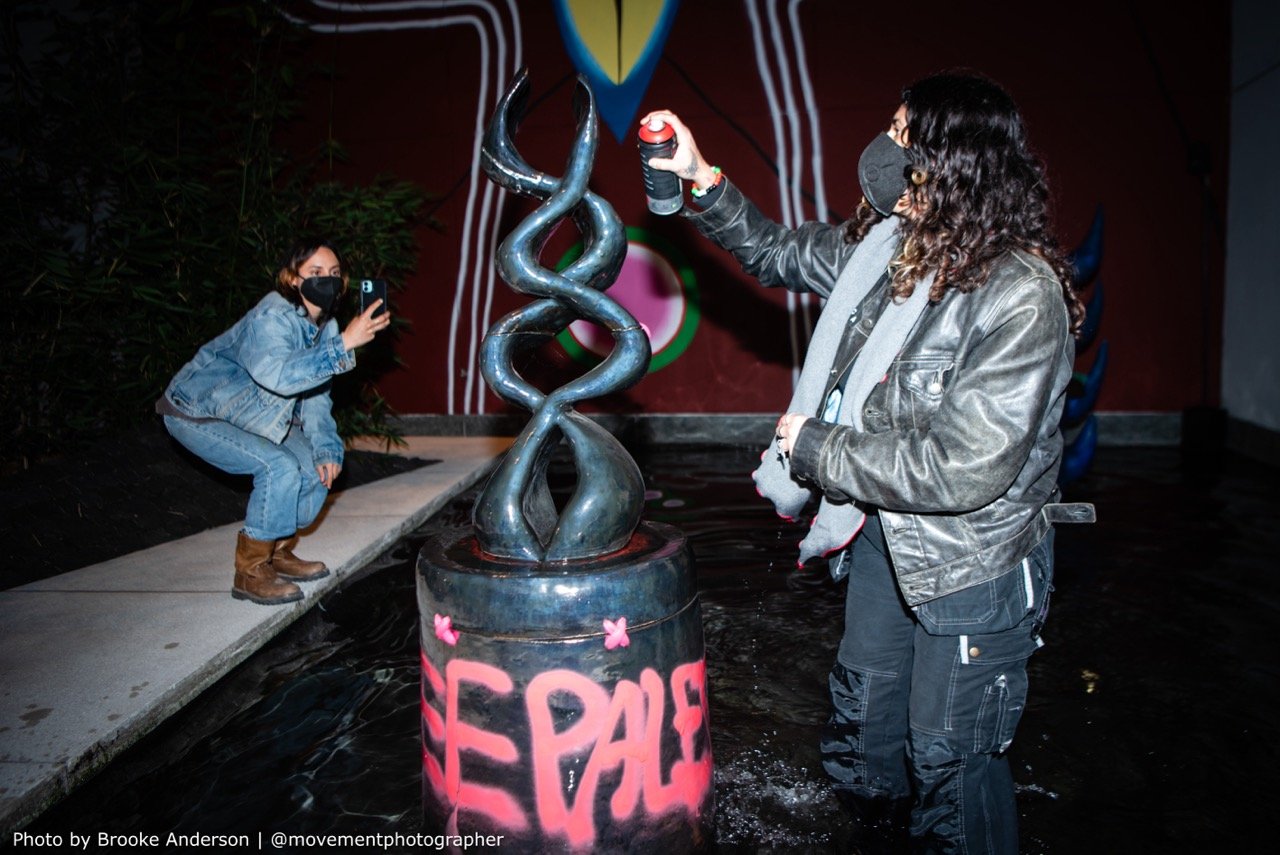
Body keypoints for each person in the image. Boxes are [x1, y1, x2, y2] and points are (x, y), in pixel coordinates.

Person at [644, 71, 1091, 852]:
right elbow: (779, 253)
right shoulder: (890, 247)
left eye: (902, 135)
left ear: (955, 161)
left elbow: (964, 468)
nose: (882, 151)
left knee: (949, 757)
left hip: (971, 566)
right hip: (886, 534)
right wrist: (698, 175)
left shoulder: (1021, 294)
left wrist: (814, 445)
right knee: (864, 730)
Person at [158, 239, 391, 606]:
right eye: (315, 273)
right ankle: (250, 572)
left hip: (252, 414)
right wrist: (344, 344)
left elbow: (315, 396)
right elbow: (279, 377)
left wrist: (327, 448)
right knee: (279, 468)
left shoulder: (325, 326)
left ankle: (276, 550)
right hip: (197, 410)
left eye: (333, 273)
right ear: (293, 279)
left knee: (318, 468)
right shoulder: (272, 317)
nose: (326, 281)